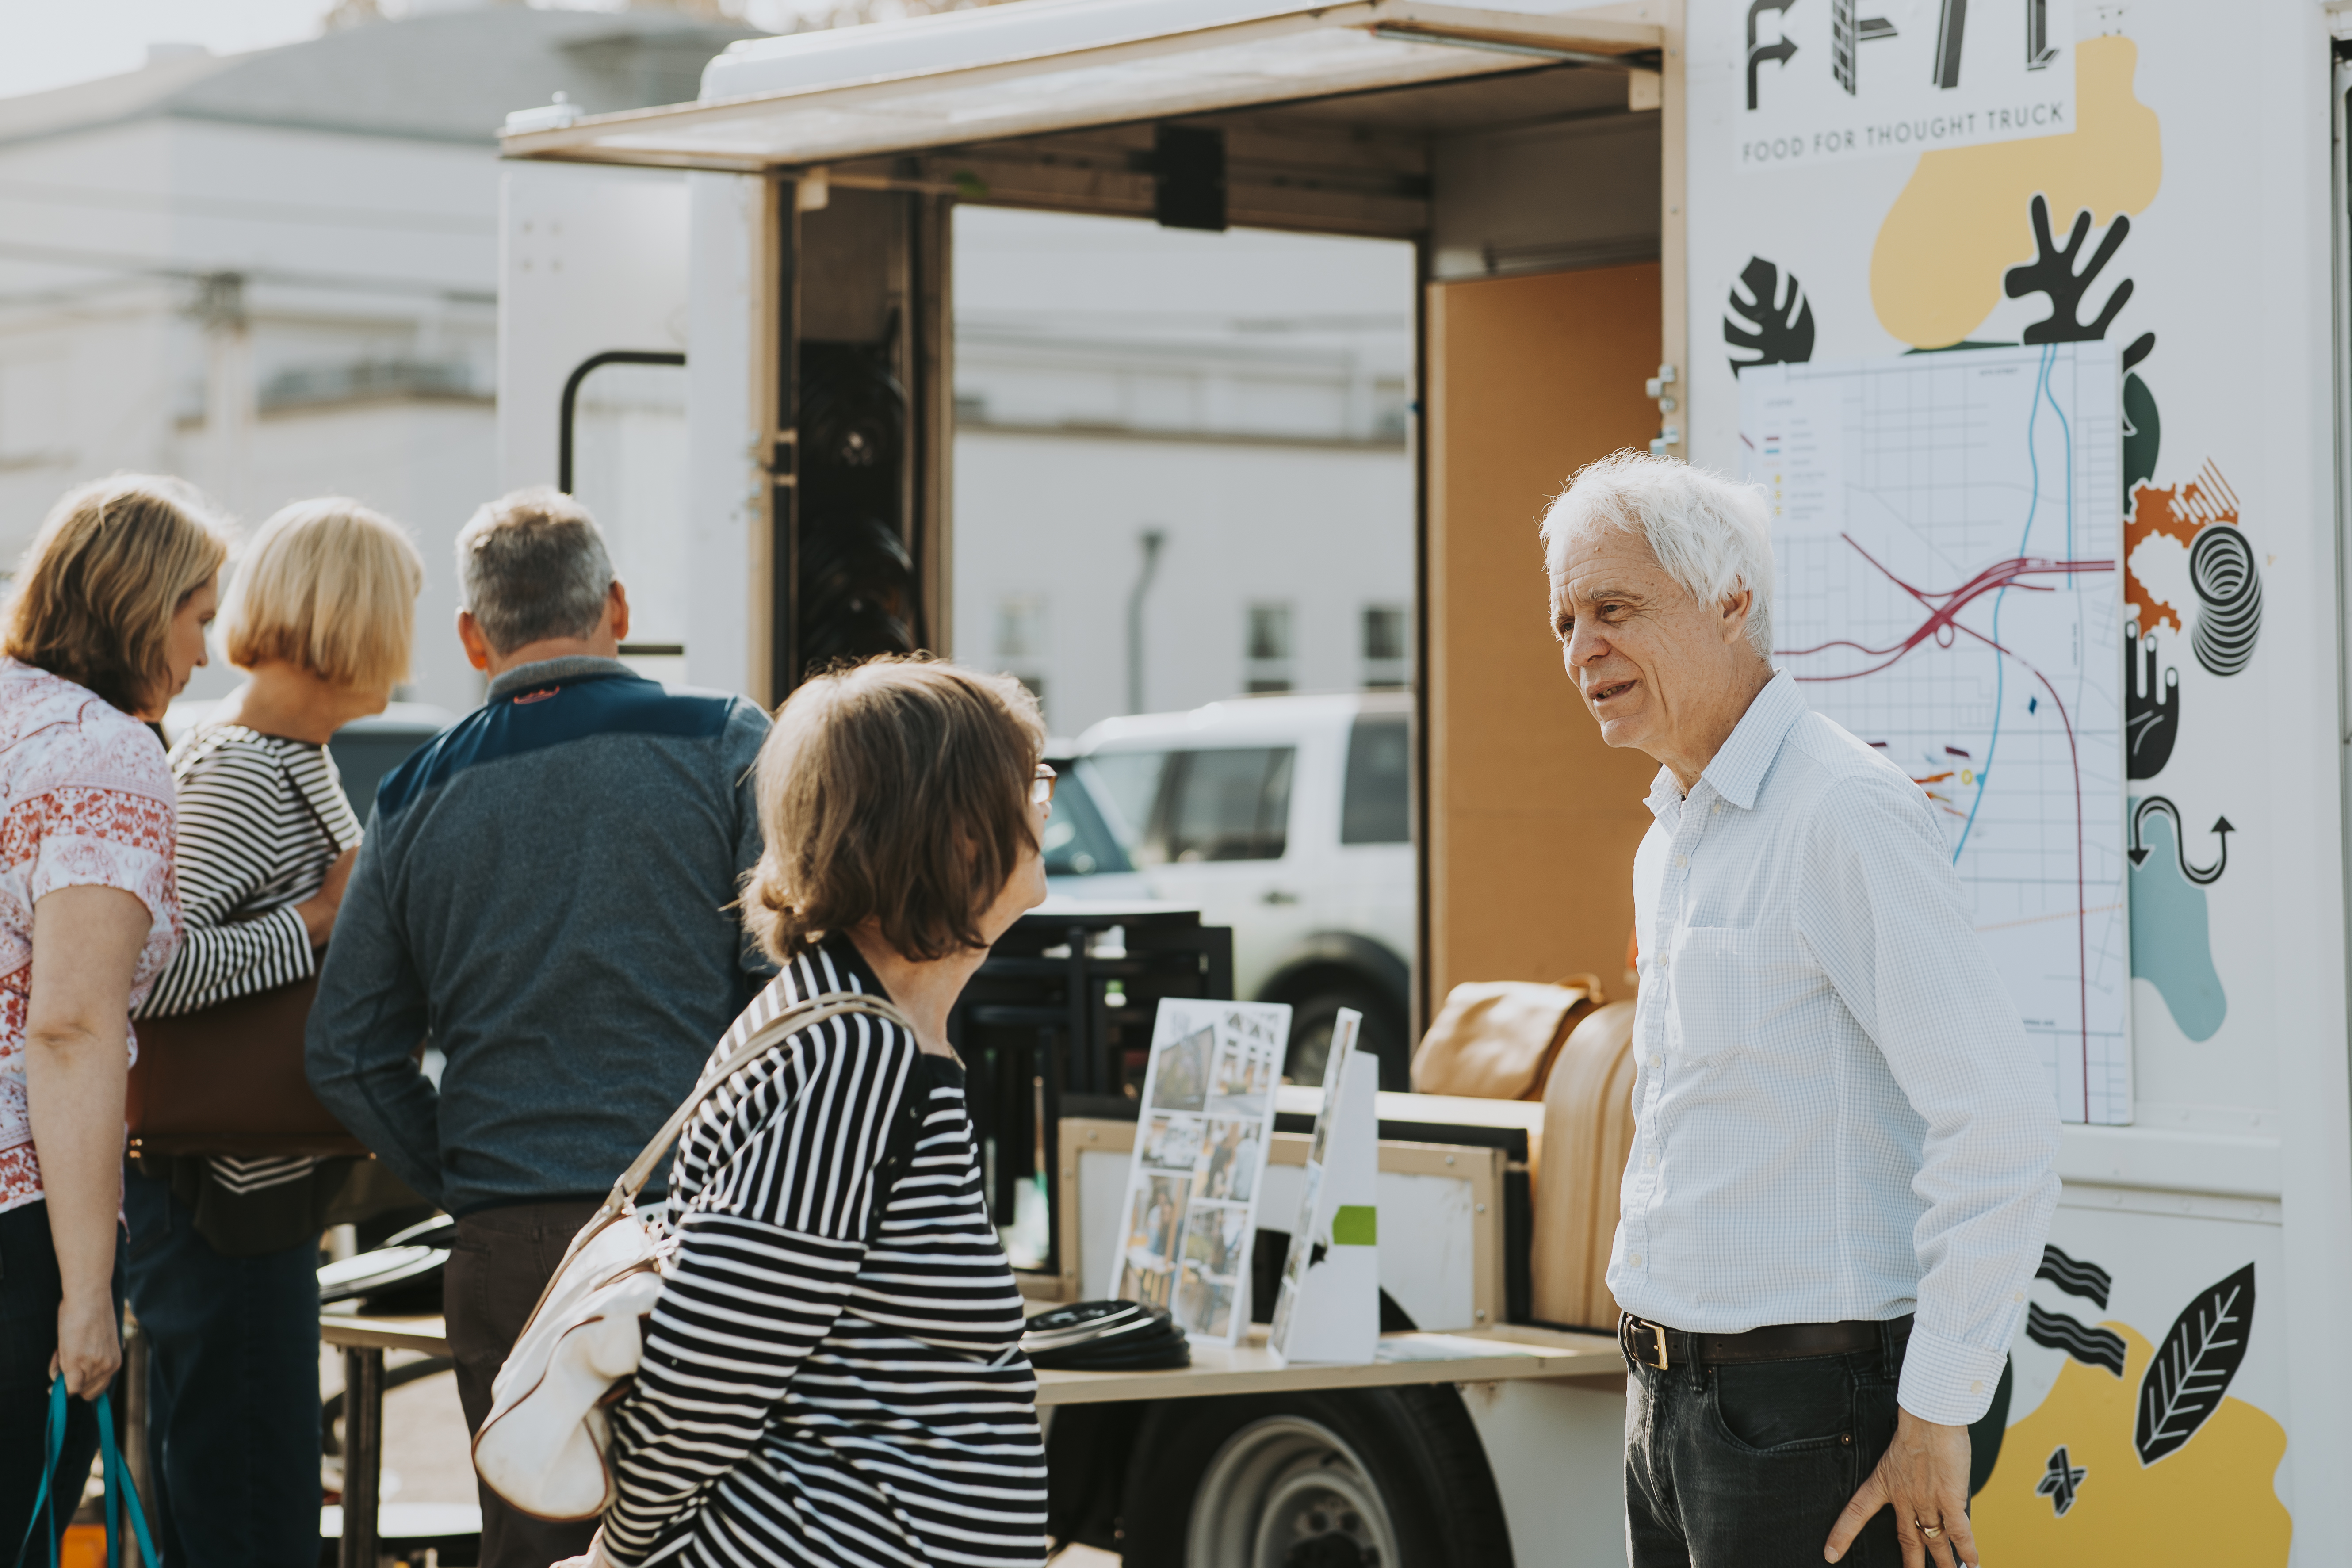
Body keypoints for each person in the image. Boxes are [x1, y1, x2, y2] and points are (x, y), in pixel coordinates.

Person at [1540, 452, 2059, 1568]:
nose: (1581, 650)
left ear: (1730, 599)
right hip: (1672, 1406)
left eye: (1613, 609)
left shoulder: (1842, 815)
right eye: (1565, 621)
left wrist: (1937, 1411)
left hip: (1814, 1416)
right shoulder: (1667, 840)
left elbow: (2000, 1127)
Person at [305, 487, 771, 1568]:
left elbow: (347, 1050)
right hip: (703, 1237)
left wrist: (473, 1178)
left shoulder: (415, 795)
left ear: (473, 637)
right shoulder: (725, 740)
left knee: (535, 1547)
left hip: (510, 1250)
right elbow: (777, 991)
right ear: (616, 606)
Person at [570, 656, 1050, 1568]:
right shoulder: (854, 1058)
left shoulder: (867, 1032)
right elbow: (708, 1367)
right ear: (956, 832)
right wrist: (616, 1557)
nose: (1043, 809)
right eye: (1027, 785)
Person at [128, 497, 424, 1568]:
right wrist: (316, 922)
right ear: (354, 620)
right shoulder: (247, 771)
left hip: (246, 1195)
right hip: (218, 1205)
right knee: (251, 1516)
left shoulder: (277, 755)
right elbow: (143, 974)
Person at [0, 477, 226, 1546]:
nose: (206, 655)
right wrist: (87, 1294)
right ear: (142, 607)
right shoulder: (104, 754)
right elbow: (72, 1027)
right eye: (200, 617)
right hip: (21, 1206)